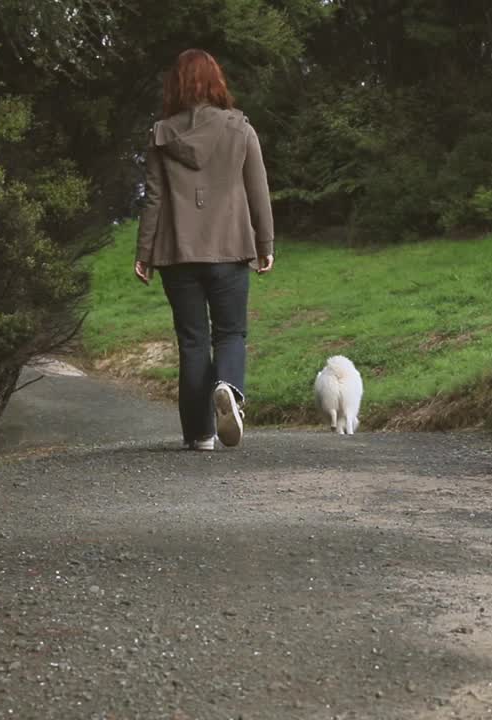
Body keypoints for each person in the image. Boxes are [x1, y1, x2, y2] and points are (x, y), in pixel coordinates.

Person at [134, 49, 275, 451]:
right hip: (230, 249)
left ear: (175, 85)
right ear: (217, 83)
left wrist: (144, 253)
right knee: (230, 332)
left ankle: (199, 434)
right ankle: (228, 386)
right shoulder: (240, 129)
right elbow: (257, 191)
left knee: (193, 340)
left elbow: (154, 200)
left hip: (178, 253)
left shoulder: (161, 134)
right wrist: (265, 243)